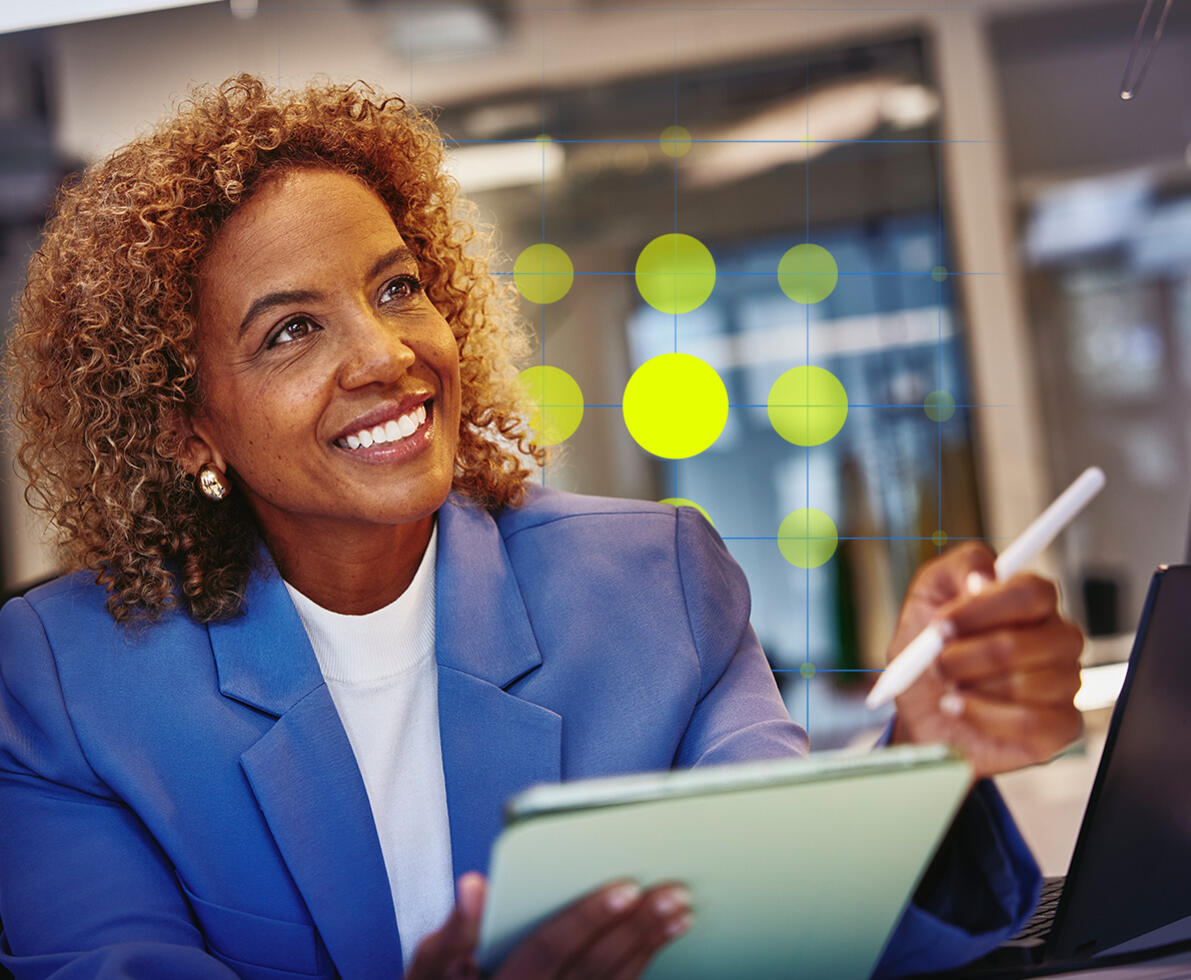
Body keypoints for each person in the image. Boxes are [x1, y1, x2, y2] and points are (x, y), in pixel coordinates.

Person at [0, 74, 1082, 980]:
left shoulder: (654, 583)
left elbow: (807, 931)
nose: (385, 355)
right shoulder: (65, 686)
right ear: (189, 427)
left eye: (398, 286)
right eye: (290, 330)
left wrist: (930, 764)